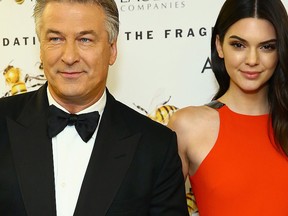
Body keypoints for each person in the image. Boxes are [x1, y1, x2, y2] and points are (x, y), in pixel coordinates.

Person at [0, 0, 189, 215]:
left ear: (112, 49)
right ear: (40, 48)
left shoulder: (156, 146)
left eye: (85, 40)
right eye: (55, 39)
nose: (69, 57)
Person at [168, 0, 288, 215]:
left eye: (267, 46)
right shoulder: (188, 126)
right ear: (219, 45)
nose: (252, 60)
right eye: (239, 45)